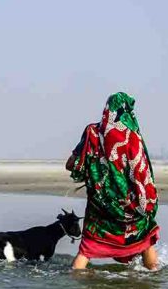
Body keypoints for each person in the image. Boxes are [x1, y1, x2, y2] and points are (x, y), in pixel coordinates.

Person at [65, 92, 160, 270]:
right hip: (131, 208)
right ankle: (155, 282)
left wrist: (95, 171)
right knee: (146, 238)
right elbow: (143, 174)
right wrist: (147, 202)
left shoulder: (92, 132)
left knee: (86, 250)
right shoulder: (133, 138)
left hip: (100, 209)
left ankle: (74, 281)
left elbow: (72, 165)